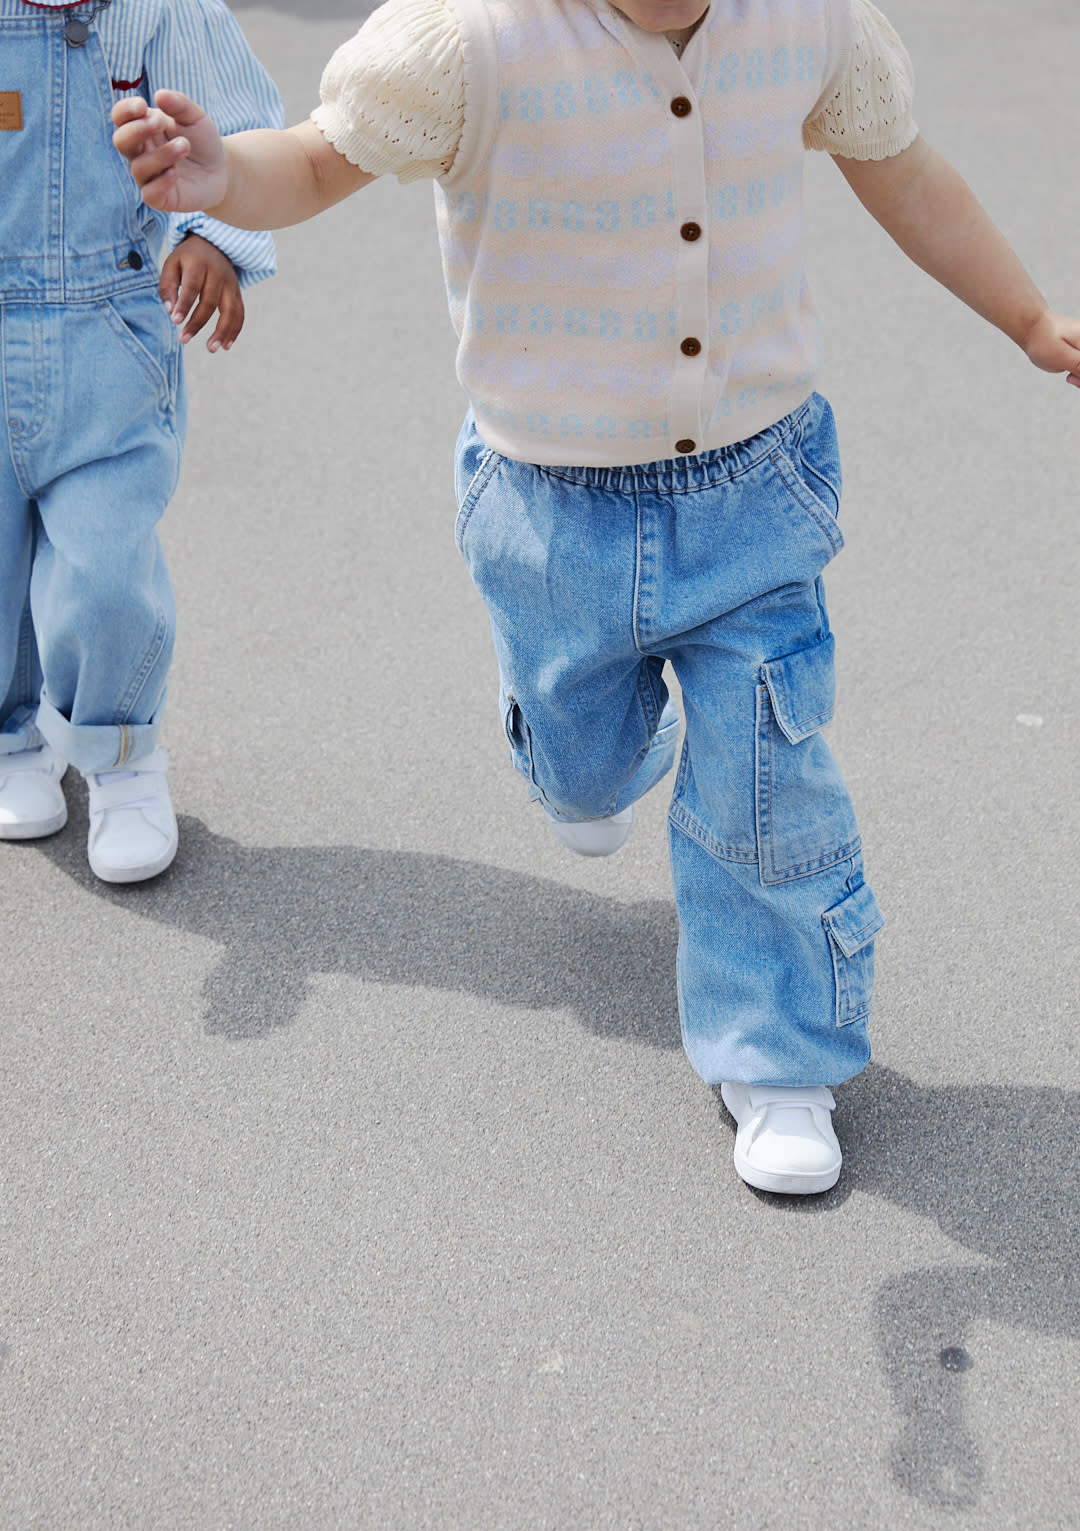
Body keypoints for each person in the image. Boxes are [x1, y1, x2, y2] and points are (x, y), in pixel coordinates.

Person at [111, 0, 1080, 1190]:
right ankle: (582, 753)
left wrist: (1028, 316)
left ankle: (779, 1055)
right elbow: (317, 157)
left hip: (755, 491)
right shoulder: (468, 41)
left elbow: (907, 175)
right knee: (583, 763)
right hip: (550, 510)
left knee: (766, 765)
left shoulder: (810, 23)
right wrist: (223, 176)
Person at [0, 0, 283, 883]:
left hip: (109, 338)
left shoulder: (163, 11)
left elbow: (243, 133)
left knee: (104, 567)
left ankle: (121, 757)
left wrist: (216, 241)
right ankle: (13, 736)